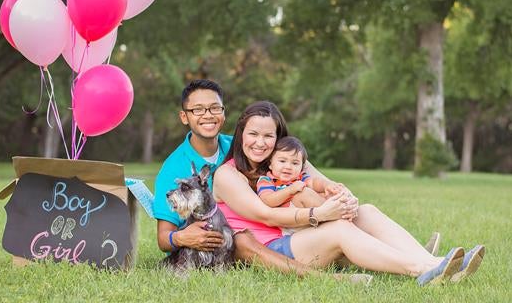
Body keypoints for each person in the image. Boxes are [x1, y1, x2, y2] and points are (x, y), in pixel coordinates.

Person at [213, 101, 485, 286]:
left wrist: (345, 199)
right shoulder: (228, 174)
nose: (260, 143)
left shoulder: (284, 161)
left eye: (268, 136)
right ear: (240, 134)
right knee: (339, 229)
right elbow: (266, 215)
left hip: (300, 236)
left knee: (366, 210)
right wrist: (319, 213)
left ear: (278, 137)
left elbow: (328, 183)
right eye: (253, 134)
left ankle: (436, 263)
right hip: (274, 249)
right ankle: (422, 270)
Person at [153, 80, 331, 276]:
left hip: (264, 229)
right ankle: (323, 272)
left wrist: (331, 189)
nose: (208, 115)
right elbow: (163, 239)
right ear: (184, 116)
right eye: (198, 110)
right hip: (221, 245)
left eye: (214, 108)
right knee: (241, 240)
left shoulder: (244, 145)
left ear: (223, 113)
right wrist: (182, 237)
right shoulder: (173, 169)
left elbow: (288, 157)